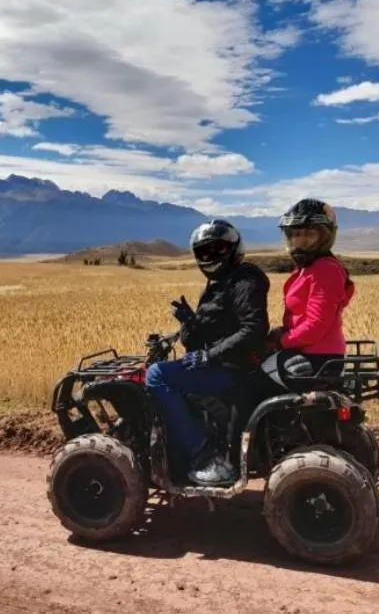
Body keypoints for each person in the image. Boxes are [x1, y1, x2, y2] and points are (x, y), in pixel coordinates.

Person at [145, 219, 270, 487]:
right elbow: (196, 340)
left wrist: (209, 355)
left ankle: (201, 452)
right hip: (220, 364)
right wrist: (189, 321)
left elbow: (253, 330)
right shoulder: (219, 284)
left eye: (218, 249)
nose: (211, 257)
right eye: (204, 252)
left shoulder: (244, 281)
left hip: (232, 368)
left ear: (234, 248)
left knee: (157, 375)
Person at [267, 198, 355, 382]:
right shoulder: (308, 267)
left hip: (316, 358)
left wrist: (281, 342)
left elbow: (316, 324)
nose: (302, 240)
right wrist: (280, 332)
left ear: (324, 237)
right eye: (296, 234)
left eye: (310, 234)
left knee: (250, 385)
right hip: (306, 352)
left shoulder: (325, 269)